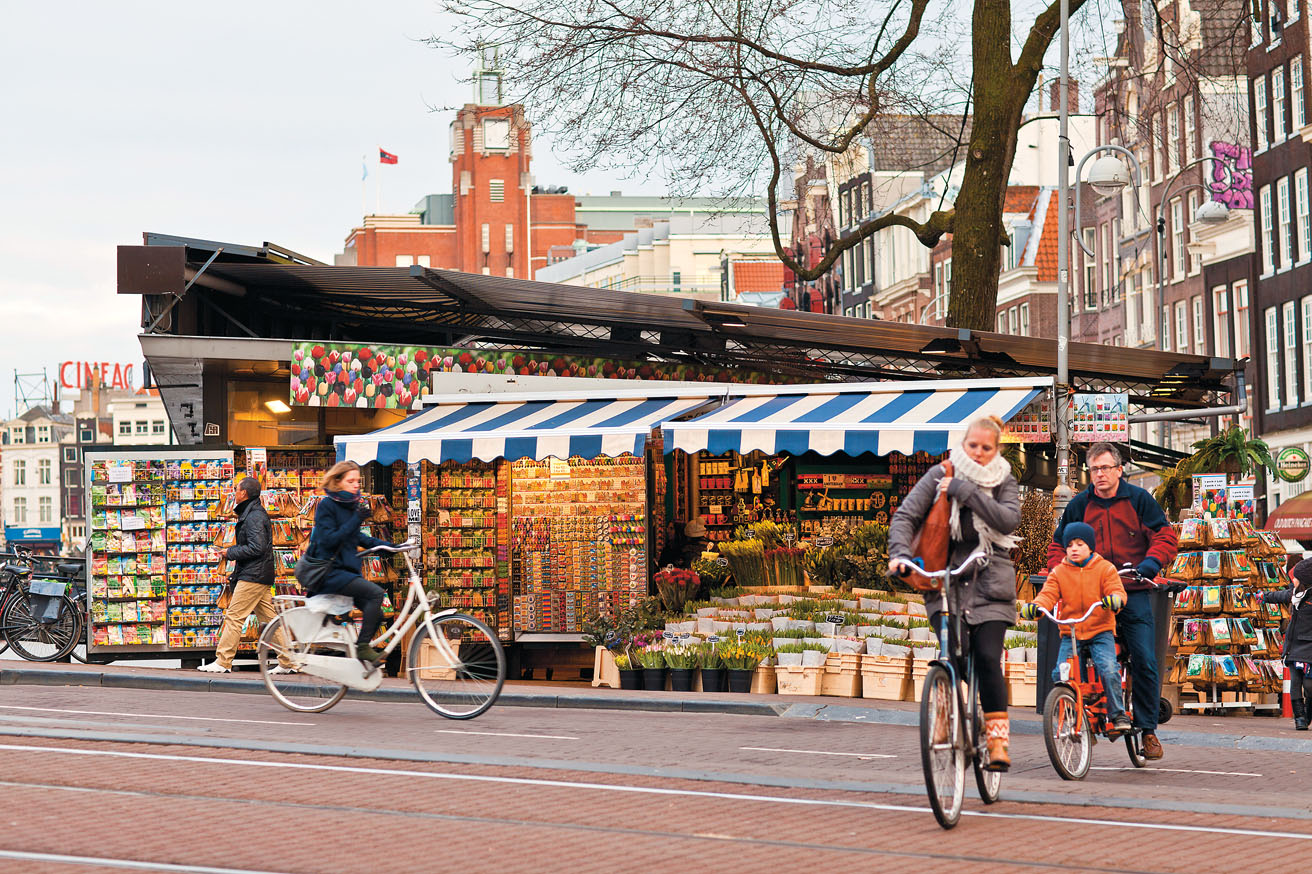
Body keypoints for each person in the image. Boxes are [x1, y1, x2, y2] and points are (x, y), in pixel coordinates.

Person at [889, 415, 1021, 771]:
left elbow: (1007, 520)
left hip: (991, 584)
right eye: (972, 446)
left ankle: (996, 742)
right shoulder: (939, 475)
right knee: (955, 657)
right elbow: (905, 517)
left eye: (986, 448)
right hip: (944, 583)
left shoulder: (1004, 480)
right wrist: (900, 555)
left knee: (988, 659)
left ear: (997, 450)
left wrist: (967, 493)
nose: (978, 453)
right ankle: (954, 714)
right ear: (963, 444)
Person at [1047, 442, 1178, 760]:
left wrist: (1151, 564)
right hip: (1089, 596)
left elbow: (1165, 535)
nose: (1100, 474)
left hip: (1132, 590)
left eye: (1106, 468)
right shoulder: (1079, 505)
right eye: (1094, 469)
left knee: (1145, 660)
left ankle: (1148, 731)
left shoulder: (1139, 500)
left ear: (1120, 470)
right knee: (1076, 659)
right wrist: (1058, 574)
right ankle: (1082, 715)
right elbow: (1057, 545)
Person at [1020, 522, 1131, 735]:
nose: (1074, 548)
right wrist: (1037, 606)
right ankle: (1074, 714)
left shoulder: (1105, 568)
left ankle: (1118, 714)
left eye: (1080, 544)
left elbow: (1117, 590)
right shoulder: (1060, 572)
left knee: (1108, 668)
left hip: (1100, 630)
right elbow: (1048, 594)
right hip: (1071, 633)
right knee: (1061, 672)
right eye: (1070, 545)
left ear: (1090, 546)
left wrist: (1115, 599)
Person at [307, 460, 403, 663]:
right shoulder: (327, 506)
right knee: (377, 594)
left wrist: (390, 546)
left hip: (346, 571)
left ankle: (357, 651)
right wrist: (356, 520)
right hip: (330, 572)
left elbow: (358, 538)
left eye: (358, 481)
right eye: (351, 481)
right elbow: (329, 539)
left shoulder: (349, 505)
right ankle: (362, 649)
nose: (356, 484)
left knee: (377, 614)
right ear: (338, 482)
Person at [199, 477, 295, 674]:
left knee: (234, 617)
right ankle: (289, 661)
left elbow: (257, 547)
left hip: (253, 574)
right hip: (258, 574)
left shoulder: (254, 516)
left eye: (236, 489)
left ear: (243, 493)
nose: (233, 492)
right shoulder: (253, 513)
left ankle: (223, 661)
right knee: (270, 619)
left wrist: (230, 552)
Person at [1262, 557, 1312, 731]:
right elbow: (1279, 595)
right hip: (1293, 644)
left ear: (1304, 580)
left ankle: (1308, 713)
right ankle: (1299, 718)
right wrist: (1264, 597)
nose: (1293, 580)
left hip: (1309, 647)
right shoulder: (1295, 594)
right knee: (1295, 682)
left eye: (1296, 577)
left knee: (1309, 685)